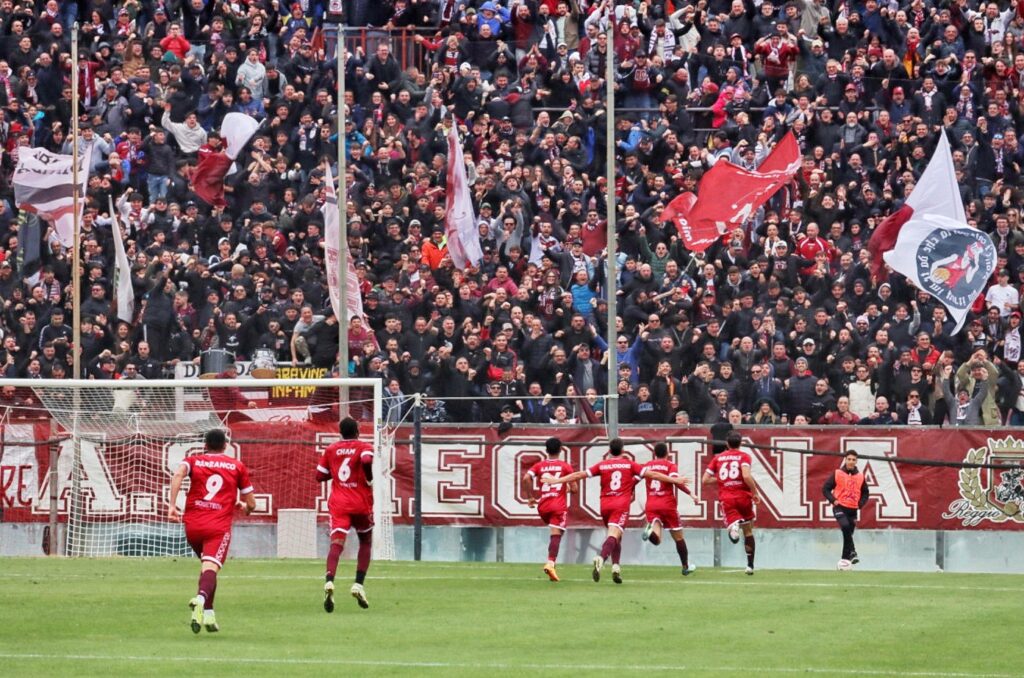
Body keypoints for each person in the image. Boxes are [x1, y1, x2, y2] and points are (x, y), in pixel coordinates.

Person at [542, 438, 687, 584]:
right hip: (620, 506)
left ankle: (616, 567)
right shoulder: (629, 464)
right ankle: (601, 558)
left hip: (605, 505)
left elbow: (579, 475)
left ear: (609, 451)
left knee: (616, 535)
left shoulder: (602, 465)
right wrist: (675, 480)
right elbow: (654, 474)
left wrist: (557, 481)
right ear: (623, 450)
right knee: (613, 534)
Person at [168, 429, 255, 633]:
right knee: (211, 568)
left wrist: (172, 505)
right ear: (225, 446)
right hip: (217, 528)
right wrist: (246, 507)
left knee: (208, 568)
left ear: (205, 445)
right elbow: (251, 503)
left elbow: (178, 474)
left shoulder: (193, 460)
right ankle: (200, 599)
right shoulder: (236, 466)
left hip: (193, 527)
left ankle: (208, 614)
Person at [317, 417, 375, 612]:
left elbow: (319, 475)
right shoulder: (364, 446)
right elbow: (366, 459)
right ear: (357, 431)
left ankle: (329, 580)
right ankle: (358, 584)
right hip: (361, 502)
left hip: (339, 504)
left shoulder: (331, 449)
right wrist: (369, 477)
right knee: (365, 541)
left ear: (340, 432)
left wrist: (334, 472)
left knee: (336, 544)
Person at [702, 431, 760, 575]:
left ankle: (733, 527)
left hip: (727, 498)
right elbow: (746, 476)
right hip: (744, 497)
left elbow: (705, 480)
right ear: (741, 443)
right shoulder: (744, 456)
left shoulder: (718, 458)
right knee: (748, 531)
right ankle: (750, 566)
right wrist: (755, 492)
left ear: (727, 444)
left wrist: (722, 479)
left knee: (733, 525)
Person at [521, 437, 577, 581]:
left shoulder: (539, 466)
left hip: (543, 506)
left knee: (555, 534)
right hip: (557, 505)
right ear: (561, 449)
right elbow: (575, 489)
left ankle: (552, 565)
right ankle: (551, 563)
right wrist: (567, 487)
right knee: (556, 535)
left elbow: (526, 478)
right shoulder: (565, 466)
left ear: (546, 450)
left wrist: (530, 497)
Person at [641, 442, 695, 576]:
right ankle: (685, 566)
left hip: (651, 505)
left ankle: (650, 532)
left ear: (654, 453)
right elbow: (677, 481)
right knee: (679, 537)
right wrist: (691, 494)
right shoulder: (670, 465)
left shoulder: (647, 465)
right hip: (667, 505)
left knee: (657, 539)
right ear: (667, 453)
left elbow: (635, 478)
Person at [822, 450, 869, 568]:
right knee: (845, 526)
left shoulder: (860, 476)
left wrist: (860, 504)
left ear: (856, 461)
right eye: (849, 459)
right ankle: (853, 552)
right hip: (839, 507)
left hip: (853, 510)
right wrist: (833, 500)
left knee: (847, 536)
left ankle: (844, 562)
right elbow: (825, 489)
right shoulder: (838, 473)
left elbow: (865, 493)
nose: (851, 462)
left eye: (853, 460)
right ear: (845, 460)